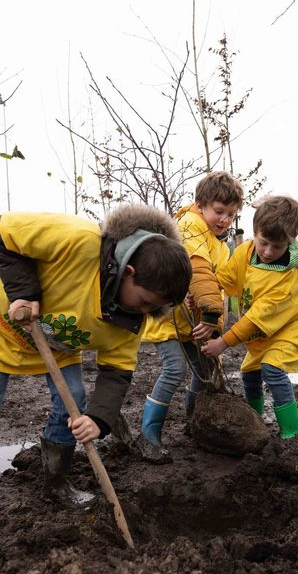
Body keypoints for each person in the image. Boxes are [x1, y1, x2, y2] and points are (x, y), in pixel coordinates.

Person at [0, 204, 192, 506]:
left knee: (73, 401)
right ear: (129, 272)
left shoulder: (130, 321)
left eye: (153, 308)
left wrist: (99, 419)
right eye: (144, 301)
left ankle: (56, 482)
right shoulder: (80, 241)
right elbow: (6, 232)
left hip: (55, 346)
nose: (145, 311)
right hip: (3, 327)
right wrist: (25, 292)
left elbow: (117, 371)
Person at [140, 171, 244, 462]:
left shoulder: (220, 244)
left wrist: (213, 320)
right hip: (170, 319)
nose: (224, 219)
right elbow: (197, 270)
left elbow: (218, 284)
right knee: (174, 369)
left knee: (204, 371)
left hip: (194, 323)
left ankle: (192, 424)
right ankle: (149, 435)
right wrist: (207, 310)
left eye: (231, 215)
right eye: (218, 211)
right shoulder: (190, 225)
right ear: (201, 205)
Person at [201, 194, 298, 439]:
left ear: (290, 243)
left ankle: (291, 432)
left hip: (295, 325)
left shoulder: (283, 280)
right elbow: (225, 279)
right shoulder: (245, 252)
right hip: (268, 325)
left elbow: (255, 318)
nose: (267, 251)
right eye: (263, 242)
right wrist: (203, 293)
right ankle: (256, 425)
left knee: (272, 368)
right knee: (250, 371)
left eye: (278, 247)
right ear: (255, 232)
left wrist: (223, 343)